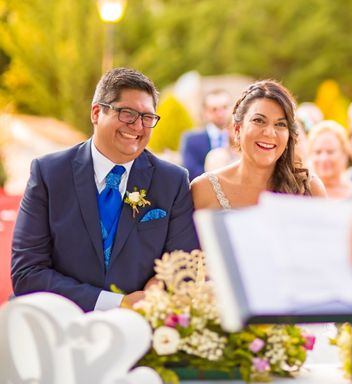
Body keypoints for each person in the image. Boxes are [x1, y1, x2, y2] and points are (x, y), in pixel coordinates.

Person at [11, 68, 199, 312]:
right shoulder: (49, 173)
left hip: (139, 328)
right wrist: (115, 303)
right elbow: (27, 272)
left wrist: (157, 289)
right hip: (57, 321)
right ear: (97, 112)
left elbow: (182, 266)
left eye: (147, 117)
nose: (138, 126)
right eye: (127, 113)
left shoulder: (172, 181)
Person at [191, 80, 326, 210]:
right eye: (259, 120)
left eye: (280, 124)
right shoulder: (204, 189)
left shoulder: (309, 189)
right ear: (237, 129)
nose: (269, 133)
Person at [180, 89, 232, 181]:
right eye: (214, 109)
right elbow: (191, 173)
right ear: (205, 112)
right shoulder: (191, 140)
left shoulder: (241, 137)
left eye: (224, 107)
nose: (220, 114)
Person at [307, 120, 352, 199]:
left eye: (330, 152)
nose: (323, 158)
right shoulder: (302, 194)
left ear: (345, 154)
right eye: (318, 152)